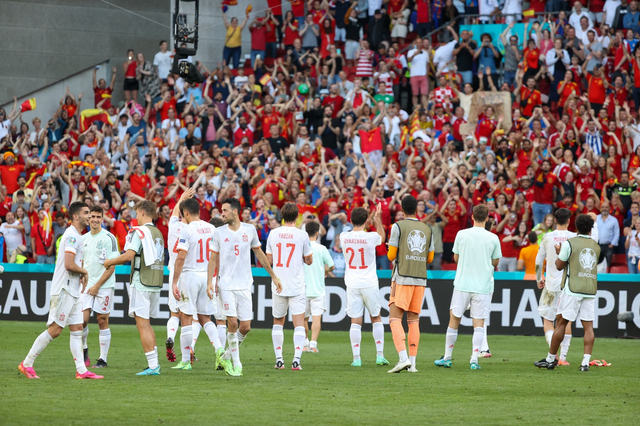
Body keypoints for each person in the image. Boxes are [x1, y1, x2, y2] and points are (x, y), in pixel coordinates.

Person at [19, 202, 103, 380]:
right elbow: (68, 264)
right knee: (56, 329)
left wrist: (79, 274)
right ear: (75, 216)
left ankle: (81, 370)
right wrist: (84, 271)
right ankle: (27, 363)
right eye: (86, 213)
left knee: (77, 328)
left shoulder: (77, 236)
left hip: (72, 288)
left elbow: (72, 264)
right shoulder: (72, 236)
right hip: (64, 288)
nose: (89, 216)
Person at [208, 198, 282, 377]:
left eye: (225, 211)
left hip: (245, 284)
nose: (222, 214)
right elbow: (212, 259)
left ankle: (225, 355)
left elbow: (260, 255)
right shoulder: (218, 233)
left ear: (235, 211)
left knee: (246, 326)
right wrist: (210, 281)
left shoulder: (249, 230)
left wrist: (273, 276)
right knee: (232, 323)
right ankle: (237, 364)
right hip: (225, 284)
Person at [435, 204, 501, 370]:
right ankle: (474, 359)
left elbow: (456, 257)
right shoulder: (492, 238)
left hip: (463, 284)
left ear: (472, 216)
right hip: (482, 286)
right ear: (487, 218)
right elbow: (496, 261)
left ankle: (448, 357)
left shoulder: (461, 234)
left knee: (454, 319)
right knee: (478, 322)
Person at [104, 200, 165, 376]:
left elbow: (129, 256)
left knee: (142, 324)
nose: (136, 217)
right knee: (147, 323)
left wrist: (110, 262)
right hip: (155, 281)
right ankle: (155, 363)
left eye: (137, 213)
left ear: (143, 213)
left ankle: (153, 366)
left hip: (141, 281)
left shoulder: (140, 232)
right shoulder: (158, 232)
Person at [534, 214, 601, 372]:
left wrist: (559, 252)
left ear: (576, 226)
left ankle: (551, 359)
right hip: (590, 289)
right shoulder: (595, 245)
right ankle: (584, 363)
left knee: (561, 322)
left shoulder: (570, 243)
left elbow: (559, 265)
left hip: (572, 287)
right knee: (588, 326)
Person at [170, 192, 224, 371]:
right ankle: (219, 349)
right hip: (206, 276)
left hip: (190, 276)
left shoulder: (186, 229)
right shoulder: (211, 228)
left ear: (185, 213)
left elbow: (181, 257)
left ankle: (186, 361)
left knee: (186, 317)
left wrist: (174, 281)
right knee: (205, 317)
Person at [387, 195, 435, 373]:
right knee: (414, 320)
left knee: (394, 318)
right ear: (416, 209)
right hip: (421, 278)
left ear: (402, 209)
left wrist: (393, 248)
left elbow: (391, 256)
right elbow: (430, 258)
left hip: (402, 277)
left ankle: (402, 358)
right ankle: (412, 364)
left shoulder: (398, 226)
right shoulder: (427, 227)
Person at [266, 202, 312, 371]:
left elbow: (268, 260)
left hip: (278, 284)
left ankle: (279, 360)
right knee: (299, 323)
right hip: (296, 285)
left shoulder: (273, 233)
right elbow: (309, 260)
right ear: (297, 216)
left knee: (278, 322)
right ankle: (296, 361)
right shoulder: (302, 235)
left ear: (282, 215)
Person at [340, 205, 388, 367]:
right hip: (369, 283)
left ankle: (356, 358)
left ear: (351, 220)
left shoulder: (343, 237)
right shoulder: (371, 237)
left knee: (355, 321)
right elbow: (382, 236)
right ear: (367, 220)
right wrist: (378, 220)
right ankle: (380, 355)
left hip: (352, 283)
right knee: (376, 317)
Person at [79, 206, 119, 368]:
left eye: (98, 216)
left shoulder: (109, 238)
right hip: (86, 285)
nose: (95, 219)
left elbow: (112, 266)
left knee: (102, 320)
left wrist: (97, 285)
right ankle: (84, 348)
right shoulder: (83, 239)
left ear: (102, 218)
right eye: (92, 216)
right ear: (88, 219)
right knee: (81, 321)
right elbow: (81, 262)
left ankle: (102, 359)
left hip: (104, 285)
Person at [303, 221, 335, 353]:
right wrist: (325, 271)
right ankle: (313, 345)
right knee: (316, 318)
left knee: (303, 318)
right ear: (317, 233)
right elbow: (332, 265)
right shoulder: (322, 249)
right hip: (318, 289)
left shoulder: (302, 247)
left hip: (303, 289)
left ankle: (304, 344)